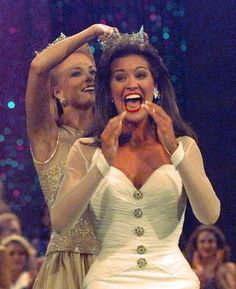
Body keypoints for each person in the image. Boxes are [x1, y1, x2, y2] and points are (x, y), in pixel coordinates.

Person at [51, 28, 221, 289]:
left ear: (154, 86)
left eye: (140, 75)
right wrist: (101, 164)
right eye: (120, 77)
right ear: (110, 90)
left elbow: (209, 214)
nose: (131, 83)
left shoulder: (184, 147)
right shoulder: (85, 150)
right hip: (108, 281)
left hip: (174, 280)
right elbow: (61, 222)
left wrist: (175, 151)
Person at [25, 24, 115, 288]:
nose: (88, 79)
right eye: (76, 74)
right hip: (66, 270)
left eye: (92, 73)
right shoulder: (48, 137)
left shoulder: (113, 138)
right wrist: (92, 32)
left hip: (113, 265)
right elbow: (38, 68)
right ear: (58, 92)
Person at [185, 225, 236, 289]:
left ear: (218, 244)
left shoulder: (228, 268)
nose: (207, 246)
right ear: (196, 245)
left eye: (210, 241)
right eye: (202, 241)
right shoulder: (189, 272)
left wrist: (216, 267)